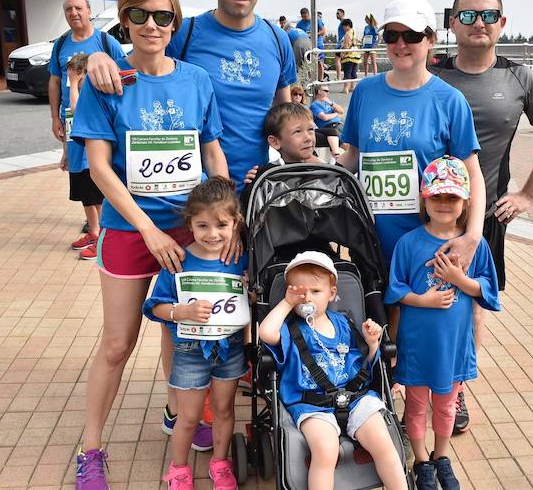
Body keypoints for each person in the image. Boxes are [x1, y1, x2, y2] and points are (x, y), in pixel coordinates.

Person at [70, 0, 228, 489]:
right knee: (117, 344)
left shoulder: (197, 80)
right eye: (139, 15)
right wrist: (148, 230)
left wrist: (229, 219)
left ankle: (174, 410)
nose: (152, 26)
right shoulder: (106, 80)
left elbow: (210, 151)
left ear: (175, 21)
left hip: (187, 230)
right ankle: (90, 449)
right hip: (128, 232)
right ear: (124, 19)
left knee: (178, 329)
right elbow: (99, 169)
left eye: (163, 16)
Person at [431, 0, 533, 433]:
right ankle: (409, 380)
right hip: (424, 213)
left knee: (469, 303)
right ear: (452, 22)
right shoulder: (431, 74)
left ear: (502, 23)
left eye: (488, 16)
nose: (479, 24)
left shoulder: (520, 78)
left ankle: (456, 387)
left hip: (481, 216)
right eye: (468, 16)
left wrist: (526, 195)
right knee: (411, 294)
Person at [84, 0, 296, 193]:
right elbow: (139, 63)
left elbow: (287, 117)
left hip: (260, 190)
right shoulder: (184, 33)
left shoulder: (278, 39)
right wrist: (98, 56)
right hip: (193, 200)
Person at [337, 0, 485, 271]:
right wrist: (316, 175)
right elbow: (353, 157)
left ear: (431, 40)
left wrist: (472, 237)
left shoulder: (450, 100)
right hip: (369, 243)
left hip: (430, 248)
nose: (401, 44)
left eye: (413, 35)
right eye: (392, 35)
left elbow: (472, 173)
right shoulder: (364, 92)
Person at [385, 156, 500, 490]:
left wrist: (457, 279)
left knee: (447, 406)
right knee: (417, 404)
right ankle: (421, 460)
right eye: (437, 196)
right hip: (419, 345)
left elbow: (488, 293)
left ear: (465, 202)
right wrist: (424, 300)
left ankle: (441, 455)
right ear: (425, 197)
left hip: (453, 347)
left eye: (452, 197)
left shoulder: (473, 246)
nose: (444, 204)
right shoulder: (409, 243)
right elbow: (396, 289)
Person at [259, 251, 407, 490]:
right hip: (311, 404)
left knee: (383, 441)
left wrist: (372, 344)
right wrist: (286, 303)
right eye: (299, 292)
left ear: (332, 294)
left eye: (315, 291)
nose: (307, 298)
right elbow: (266, 334)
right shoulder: (289, 328)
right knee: (326, 450)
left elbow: (364, 367)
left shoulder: (344, 323)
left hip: (355, 397)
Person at [143, 178, 248, 490]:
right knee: (188, 418)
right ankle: (178, 469)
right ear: (189, 224)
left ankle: (220, 462)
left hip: (229, 349)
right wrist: (181, 312)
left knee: (224, 411)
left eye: (221, 225)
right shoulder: (179, 260)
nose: (212, 234)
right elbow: (154, 307)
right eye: (202, 226)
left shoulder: (239, 259)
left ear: (235, 223)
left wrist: (250, 296)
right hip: (189, 351)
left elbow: (252, 297)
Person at [48, 0, 125, 254]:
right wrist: (54, 118)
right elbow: (55, 82)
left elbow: (124, 74)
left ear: (89, 11)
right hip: (71, 122)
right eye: (68, 9)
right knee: (78, 176)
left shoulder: (105, 42)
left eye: (78, 8)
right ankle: (94, 232)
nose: (74, 13)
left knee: (98, 176)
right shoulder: (60, 45)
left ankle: (105, 235)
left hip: (100, 124)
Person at [63, 53, 105, 260]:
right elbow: (68, 127)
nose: (71, 79)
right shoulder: (71, 96)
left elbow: (77, 112)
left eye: (75, 75)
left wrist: (73, 85)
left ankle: (104, 239)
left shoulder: (89, 97)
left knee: (97, 199)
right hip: (76, 158)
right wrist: (65, 154)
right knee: (85, 199)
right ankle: (94, 232)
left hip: (91, 160)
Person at [309, 84, 344, 157]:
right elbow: (324, 117)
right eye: (326, 91)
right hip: (329, 126)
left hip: (339, 125)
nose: (328, 93)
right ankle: (338, 156)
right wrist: (335, 114)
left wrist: (331, 104)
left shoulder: (330, 102)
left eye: (328, 91)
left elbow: (341, 111)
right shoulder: (315, 105)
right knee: (342, 140)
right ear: (319, 91)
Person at [297, 7, 326, 80]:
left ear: (308, 14)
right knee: (309, 62)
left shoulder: (317, 20)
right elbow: (297, 32)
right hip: (308, 45)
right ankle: (310, 79)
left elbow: (323, 31)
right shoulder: (300, 23)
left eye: (305, 16)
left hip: (318, 43)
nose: (304, 18)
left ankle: (321, 79)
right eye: (303, 17)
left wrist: (314, 34)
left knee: (320, 62)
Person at [339, 18, 361, 93]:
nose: (343, 28)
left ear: (348, 26)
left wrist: (343, 53)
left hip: (349, 56)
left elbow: (347, 45)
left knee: (347, 72)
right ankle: (353, 87)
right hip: (356, 54)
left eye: (344, 26)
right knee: (353, 72)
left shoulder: (347, 33)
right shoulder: (354, 32)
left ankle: (345, 88)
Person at [334, 8, 346, 80]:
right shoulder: (341, 22)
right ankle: (341, 76)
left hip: (342, 44)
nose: (337, 15)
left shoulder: (344, 22)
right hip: (340, 44)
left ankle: (339, 77)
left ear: (342, 13)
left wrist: (343, 44)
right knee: (339, 60)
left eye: (338, 13)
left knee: (337, 60)